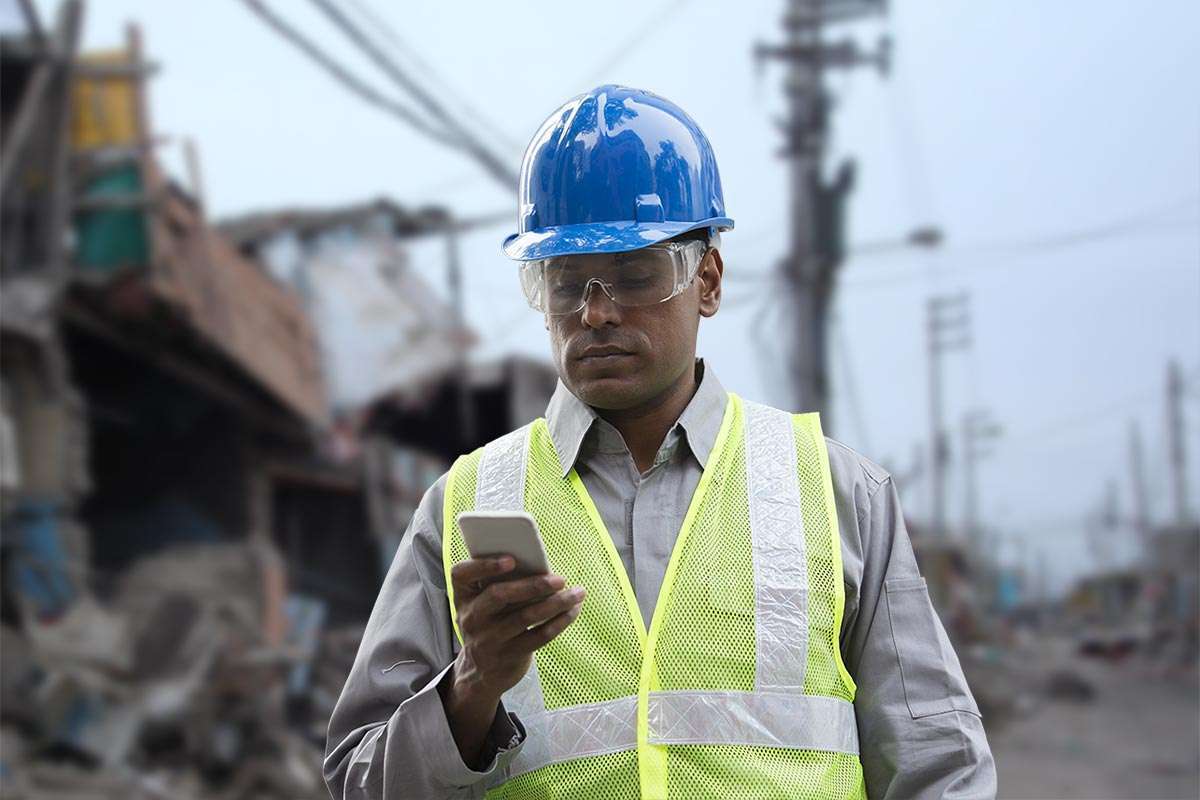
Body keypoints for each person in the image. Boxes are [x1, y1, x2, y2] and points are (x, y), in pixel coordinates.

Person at [324, 85, 996, 799]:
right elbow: (356, 781)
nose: (597, 312)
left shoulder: (837, 494)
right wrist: (469, 693)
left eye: (635, 275)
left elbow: (940, 766)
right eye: (564, 283)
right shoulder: (458, 510)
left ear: (706, 279)